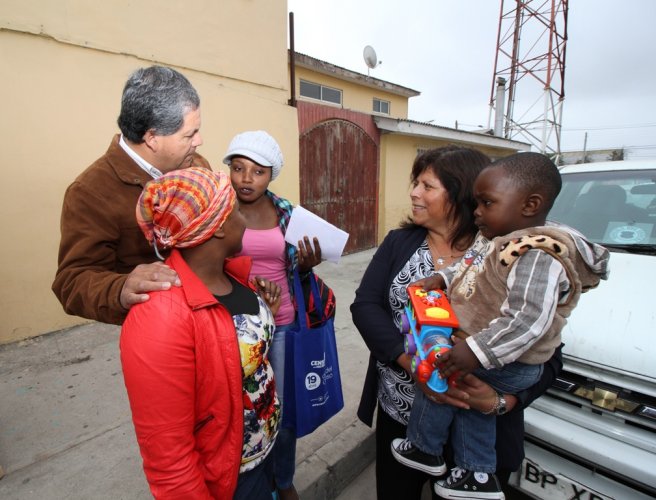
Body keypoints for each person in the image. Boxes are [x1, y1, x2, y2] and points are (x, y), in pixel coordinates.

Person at [391, 152, 610, 499]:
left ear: (530, 204)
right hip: (496, 358)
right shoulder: (502, 239)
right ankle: (475, 474)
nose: (477, 211)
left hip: (511, 362)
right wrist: (442, 279)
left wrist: (474, 353)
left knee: (440, 373)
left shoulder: (537, 255)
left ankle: (423, 446)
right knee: (473, 410)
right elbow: (473, 270)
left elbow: (526, 321)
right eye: (477, 202)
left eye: (487, 202)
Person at [350, 146, 565, 500]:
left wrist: (500, 401)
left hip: (478, 423)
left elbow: (548, 349)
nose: (414, 193)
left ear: (463, 192)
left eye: (427, 186)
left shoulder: (510, 253)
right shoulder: (400, 242)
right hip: (402, 414)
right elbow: (366, 306)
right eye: (415, 183)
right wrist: (415, 366)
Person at [120, 167, 282, 500]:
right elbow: (170, 460)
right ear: (219, 226)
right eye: (235, 209)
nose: (244, 218)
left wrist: (265, 313)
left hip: (261, 453)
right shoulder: (160, 316)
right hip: (229, 479)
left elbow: (235, 349)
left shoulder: (233, 278)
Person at [52, 65, 207, 325]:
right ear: (152, 138)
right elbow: (71, 282)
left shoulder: (196, 165)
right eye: (189, 134)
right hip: (157, 327)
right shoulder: (90, 192)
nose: (199, 141)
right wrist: (120, 288)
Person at [224, 130, 323, 500]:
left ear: (271, 175)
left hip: (281, 324)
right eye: (238, 168)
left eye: (258, 171)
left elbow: (296, 269)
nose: (246, 179)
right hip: (233, 327)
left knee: (278, 412)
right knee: (240, 413)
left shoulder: (287, 213)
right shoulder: (218, 210)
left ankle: (282, 480)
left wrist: (304, 267)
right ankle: (248, 481)